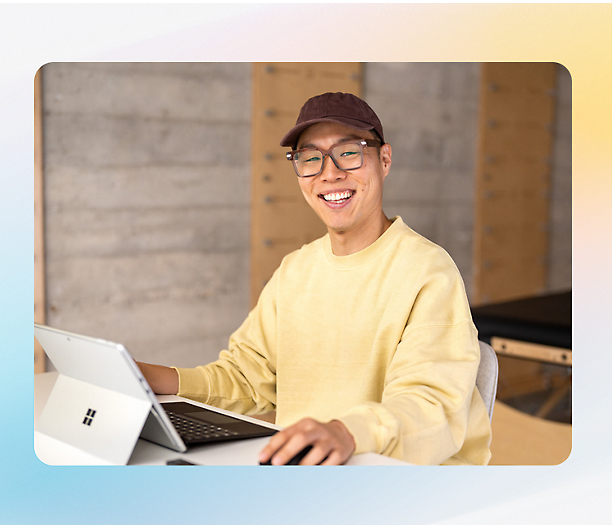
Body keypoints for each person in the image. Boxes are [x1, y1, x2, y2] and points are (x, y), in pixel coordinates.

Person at [138, 92, 492, 466]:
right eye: (310, 159)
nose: (329, 173)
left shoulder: (428, 270)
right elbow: (246, 377)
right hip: (305, 469)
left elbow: (429, 407)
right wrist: (158, 379)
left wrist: (345, 432)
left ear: (384, 159)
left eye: (349, 152)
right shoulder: (295, 270)